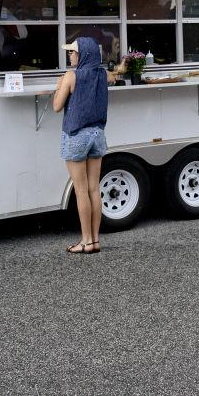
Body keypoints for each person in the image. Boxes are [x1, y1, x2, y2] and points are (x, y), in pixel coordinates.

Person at [53, 36, 124, 254]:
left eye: (73, 52)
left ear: (83, 55)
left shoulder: (70, 76)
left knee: (81, 191)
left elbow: (57, 106)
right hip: (97, 135)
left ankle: (84, 241)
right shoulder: (102, 75)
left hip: (76, 136)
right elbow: (115, 75)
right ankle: (94, 240)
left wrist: (58, 86)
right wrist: (121, 68)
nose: (70, 55)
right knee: (94, 189)